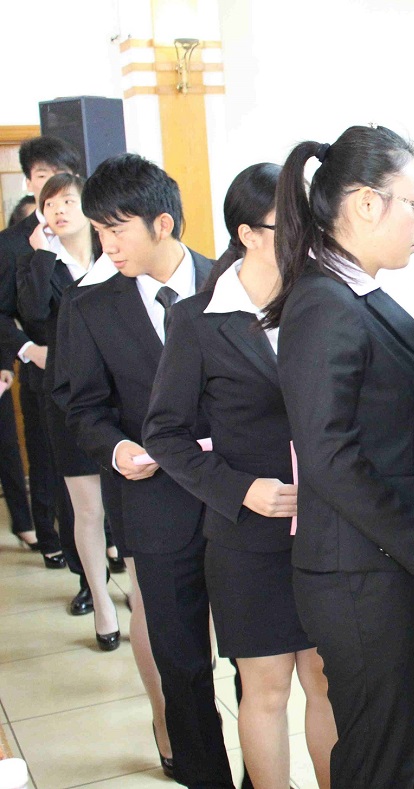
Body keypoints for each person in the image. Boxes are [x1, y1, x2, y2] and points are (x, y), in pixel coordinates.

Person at [263, 126, 414, 788]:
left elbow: (385, 432)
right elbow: (329, 455)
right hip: (359, 574)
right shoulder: (324, 304)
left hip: (376, 564)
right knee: (376, 759)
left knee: (385, 750)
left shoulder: (351, 292)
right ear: (367, 203)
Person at [144, 163, 335, 789]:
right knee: (267, 689)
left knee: (326, 682)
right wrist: (240, 489)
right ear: (248, 234)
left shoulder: (325, 302)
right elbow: (165, 434)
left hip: (328, 527)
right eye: (291, 224)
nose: (307, 236)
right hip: (248, 537)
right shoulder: (198, 319)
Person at [62, 153, 232, 787]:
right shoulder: (90, 306)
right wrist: (115, 450)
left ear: (163, 223)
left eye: (116, 230)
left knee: (259, 658)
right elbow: (81, 405)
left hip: (240, 498)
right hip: (155, 502)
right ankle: (202, 772)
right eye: (98, 231)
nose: (106, 246)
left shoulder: (233, 282)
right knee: (181, 659)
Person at [15, 172, 120, 649]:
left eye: (68, 201)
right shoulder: (39, 261)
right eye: (50, 203)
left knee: (126, 502)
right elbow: (34, 312)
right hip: (68, 396)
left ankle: (140, 592)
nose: (59, 210)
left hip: (120, 391)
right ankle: (100, 600)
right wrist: (40, 256)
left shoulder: (112, 251)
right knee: (87, 508)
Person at [0, 136, 81, 587]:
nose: (51, 186)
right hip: (40, 366)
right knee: (48, 459)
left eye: (59, 176)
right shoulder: (12, 243)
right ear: (30, 182)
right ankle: (51, 538)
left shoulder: (93, 229)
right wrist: (26, 350)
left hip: (92, 371)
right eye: (42, 176)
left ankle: (106, 541)